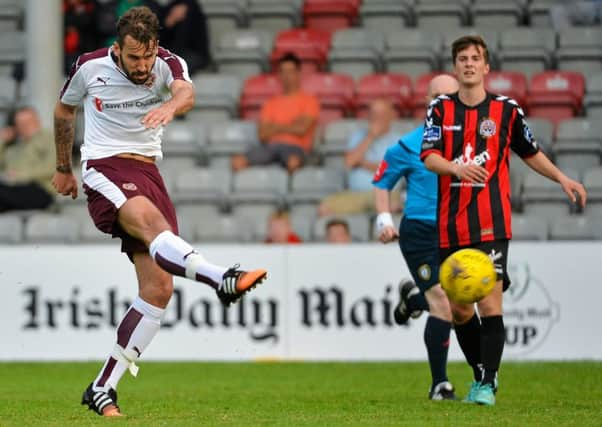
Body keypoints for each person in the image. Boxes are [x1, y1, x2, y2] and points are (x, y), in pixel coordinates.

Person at [53, 7, 267, 417]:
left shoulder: (168, 63)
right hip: (105, 167)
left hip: (148, 171)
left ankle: (102, 388)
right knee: (152, 227)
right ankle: (221, 278)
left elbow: (186, 91)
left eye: (147, 57)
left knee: (159, 290)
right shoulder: (89, 66)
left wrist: (170, 107)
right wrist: (64, 167)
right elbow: (65, 109)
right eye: (133, 57)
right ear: (118, 48)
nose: (142, 65)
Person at [420, 35, 586, 406]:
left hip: (491, 222)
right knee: (461, 308)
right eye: (462, 58)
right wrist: (455, 168)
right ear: (454, 66)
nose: (468, 64)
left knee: (490, 302)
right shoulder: (440, 110)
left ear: (486, 67)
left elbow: (529, 152)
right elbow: (428, 157)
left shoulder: (507, 110)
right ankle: (481, 374)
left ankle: (488, 384)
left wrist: (562, 177)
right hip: (451, 224)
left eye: (475, 58)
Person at [373, 75, 460, 401]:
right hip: (420, 230)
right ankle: (440, 384)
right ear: (427, 102)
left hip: (458, 229)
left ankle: (412, 300)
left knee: (461, 302)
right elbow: (382, 182)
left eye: (447, 96)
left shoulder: (472, 145)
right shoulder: (410, 145)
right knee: (442, 304)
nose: (440, 101)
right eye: (435, 96)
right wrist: (385, 220)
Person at [231, 52, 320, 174]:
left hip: (296, 148)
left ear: (298, 73)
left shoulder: (309, 101)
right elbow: (262, 134)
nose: (287, 76)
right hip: (270, 147)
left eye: (291, 71)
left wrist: (274, 127)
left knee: (293, 162)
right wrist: (291, 125)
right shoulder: (270, 103)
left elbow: (301, 129)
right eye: (283, 72)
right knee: (237, 162)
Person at [319, 98, 400, 217]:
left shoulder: (399, 140)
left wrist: (361, 163)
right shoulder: (358, 136)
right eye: (373, 113)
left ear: (391, 116)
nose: (376, 118)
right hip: (356, 194)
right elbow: (349, 162)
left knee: (391, 207)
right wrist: (370, 137)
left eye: (381, 114)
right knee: (324, 208)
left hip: (386, 193)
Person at [0, 106, 56, 212]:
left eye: (28, 122)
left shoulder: (49, 138)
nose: (24, 126)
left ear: (37, 121)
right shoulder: (13, 146)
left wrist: (20, 175)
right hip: (14, 190)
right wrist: (2, 141)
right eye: (20, 124)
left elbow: (54, 167)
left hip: (40, 190)